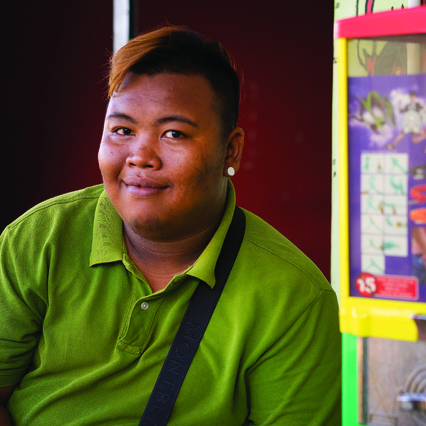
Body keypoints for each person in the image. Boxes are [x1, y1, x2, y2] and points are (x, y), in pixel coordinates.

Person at [0, 26, 341, 425]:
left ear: (231, 150)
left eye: (173, 134)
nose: (140, 156)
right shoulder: (40, 237)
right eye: (122, 130)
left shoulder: (294, 298)